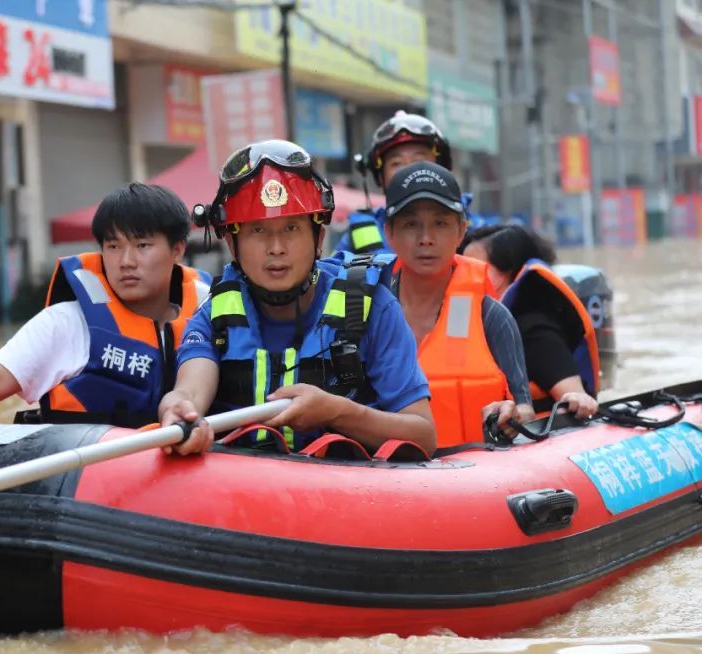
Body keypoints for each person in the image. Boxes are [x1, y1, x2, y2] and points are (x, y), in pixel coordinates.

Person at [158, 139, 435, 456]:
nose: (276, 247)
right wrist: (178, 410)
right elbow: (188, 392)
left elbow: (423, 433)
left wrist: (337, 412)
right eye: (258, 231)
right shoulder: (215, 313)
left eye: (291, 228)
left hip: (348, 497)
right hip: (241, 499)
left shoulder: (373, 307)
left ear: (319, 237)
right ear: (232, 245)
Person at [0, 183, 209, 428]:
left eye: (143, 245)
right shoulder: (68, 323)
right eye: (113, 246)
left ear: (178, 249)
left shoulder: (211, 314)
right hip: (91, 482)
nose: (126, 261)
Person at [379, 162, 534, 446]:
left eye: (440, 223)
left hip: (474, 479)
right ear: (390, 233)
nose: (426, 239)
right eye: (411, 224)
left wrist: (512, 415)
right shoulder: (367, 316)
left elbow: (525, 407)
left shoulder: (492, 317)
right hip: (393, 479)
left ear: (461, 231)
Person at [461, 224, 599, 420]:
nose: (464, 274)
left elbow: (577, 398)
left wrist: (576, 399)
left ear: (508, 271)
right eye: (462, 266)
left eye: (476, 267)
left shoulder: (533, 331)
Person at [333, 111, 481, 256]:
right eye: (396, 163)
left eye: (419, 160)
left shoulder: (478, 231)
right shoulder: (360, 233)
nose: (409, 171)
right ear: (380, 176)